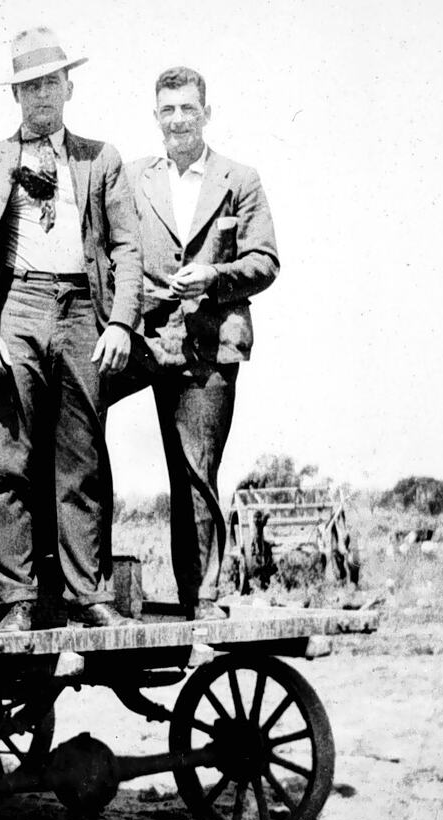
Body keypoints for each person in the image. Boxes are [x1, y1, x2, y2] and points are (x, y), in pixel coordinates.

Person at [0, 27, 142, 631]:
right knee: (5, 461)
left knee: (80, 459)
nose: (41, 97)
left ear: (69, 87)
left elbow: (128, 247)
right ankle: (17, 601)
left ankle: (91, 595)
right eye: (29, 87)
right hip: (16, 308)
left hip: (84, 309)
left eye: (50, 84)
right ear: (16, 96)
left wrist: (121, 322)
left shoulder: (99, 158)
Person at [118, 66, 279, 620]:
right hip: (141, 337)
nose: (179, 120)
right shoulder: (132, 177)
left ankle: (201, 597)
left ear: (206, 114)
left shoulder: (240, 178)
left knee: (194, 470)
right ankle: (74, 583)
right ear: (155, 116)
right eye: (168, 110)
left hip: (208, 345)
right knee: (72, 420)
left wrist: (215, 275)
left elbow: (265, 262)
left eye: (189, 109)